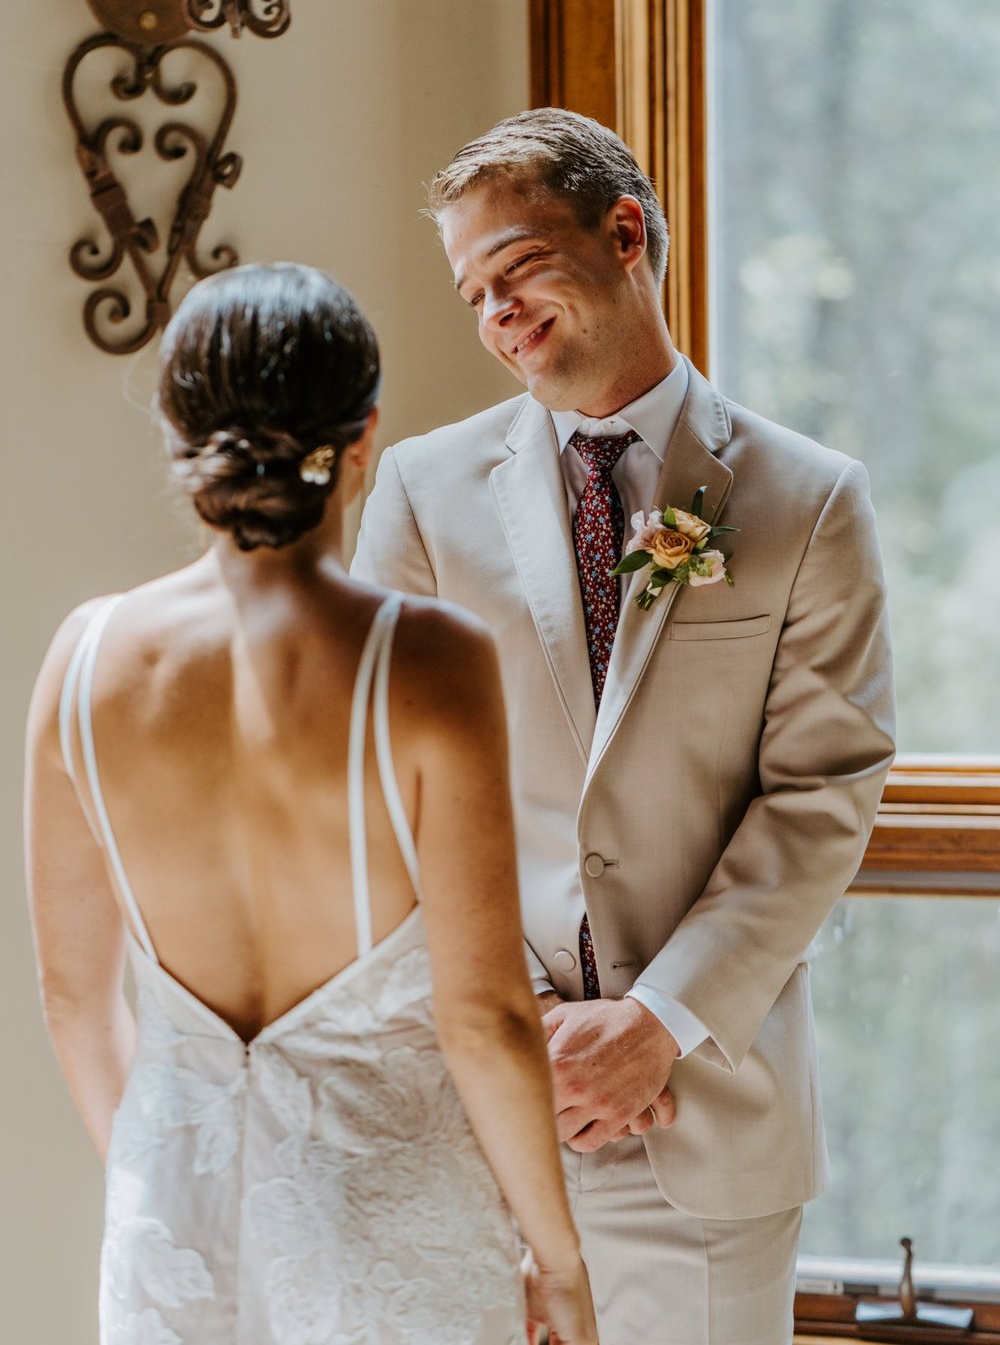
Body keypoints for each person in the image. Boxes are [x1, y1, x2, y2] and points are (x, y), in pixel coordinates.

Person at [352, 109, 896, 1345]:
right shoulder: (425, 496)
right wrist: (516, 1026)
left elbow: (823, 789)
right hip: (478, 1107)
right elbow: (379, 788)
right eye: (472, 292)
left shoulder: (804, 499)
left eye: (519, 265)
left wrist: (654, 1025)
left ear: (623, 232)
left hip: (703, 1116)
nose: (496, 312)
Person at [24, 262, 598, 1345]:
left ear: (176, 429)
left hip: (170, 1250)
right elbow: (482, 1018)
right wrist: (558, 1263)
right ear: (364, 435)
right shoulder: (429, 661)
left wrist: (163, 1192)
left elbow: (72, 998)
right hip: (392, 1240)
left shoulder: (84, 658)